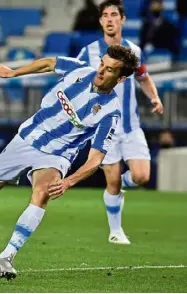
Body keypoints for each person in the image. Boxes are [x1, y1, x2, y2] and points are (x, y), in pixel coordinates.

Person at [0, 44, 139, 280]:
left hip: (57, 155)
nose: (100, 71)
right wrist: (13, 72)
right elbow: (48, 62)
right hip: (26, 139)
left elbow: (95, 159)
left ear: (121, 78)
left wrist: (68, 181)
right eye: (102, 64)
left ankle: (7, 257)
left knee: (42, 192)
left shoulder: (109, 113)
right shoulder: (79, 70)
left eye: (109, 70)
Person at [76, 0, 164, 245]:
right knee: (111, 182)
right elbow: (76, 81)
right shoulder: (89, 52)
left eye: (114, 14)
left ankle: (122, 183)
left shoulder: (133, 51)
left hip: (131, 126)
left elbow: (144, 77)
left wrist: (155, 98)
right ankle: (115, 232)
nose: (109, 19)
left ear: (122, 19)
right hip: (105, 128)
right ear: (101, 21)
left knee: (142, 177)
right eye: (105, 15)